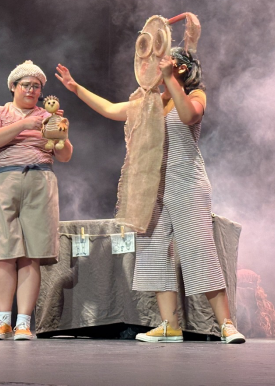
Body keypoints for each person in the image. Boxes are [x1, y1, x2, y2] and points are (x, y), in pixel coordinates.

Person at [55, 49, 245, 344]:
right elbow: (110, 109)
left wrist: (171, 80)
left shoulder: (195, 95)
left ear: (180, 68)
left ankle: (226, 325)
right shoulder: (148, 104)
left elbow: (188, 115)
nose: (155, 66)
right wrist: (75, 87)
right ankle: (170, 326)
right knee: (154, 253)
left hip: (186, 182)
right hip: (151, 188)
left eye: (163, 62)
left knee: (199, 250)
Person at [0, 60, 73, 341]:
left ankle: (23, 323)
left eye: (37, 86)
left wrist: (61, 134)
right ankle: (2, 321)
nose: (32, 90)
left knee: (31, 253)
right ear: (13, 86)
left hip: (39, 181)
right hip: (3, 182)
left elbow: (65, 155)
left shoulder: (48, 116)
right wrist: (25, 124)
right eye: (26, 85)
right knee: (1, 252)